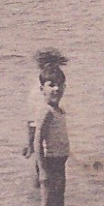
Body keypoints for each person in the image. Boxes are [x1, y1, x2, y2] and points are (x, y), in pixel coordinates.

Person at [27, 62, 71, 206]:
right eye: (51, 85)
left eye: (60, 85)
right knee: (47, 205)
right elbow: (38, 140)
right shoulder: (46, 111)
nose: (56, 89)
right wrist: (43, 170)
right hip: (49, 162)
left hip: (59, 162)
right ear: (42, 89)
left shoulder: (59, 110)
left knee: (59, 203)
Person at [22, 48, 67, 185]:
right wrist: (29, 144)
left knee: (44, 175)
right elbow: (33, 122)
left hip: (50, 142)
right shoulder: (39, 92)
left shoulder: (50, 87)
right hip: (43, 142)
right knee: (42, 174)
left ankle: (37, 198)